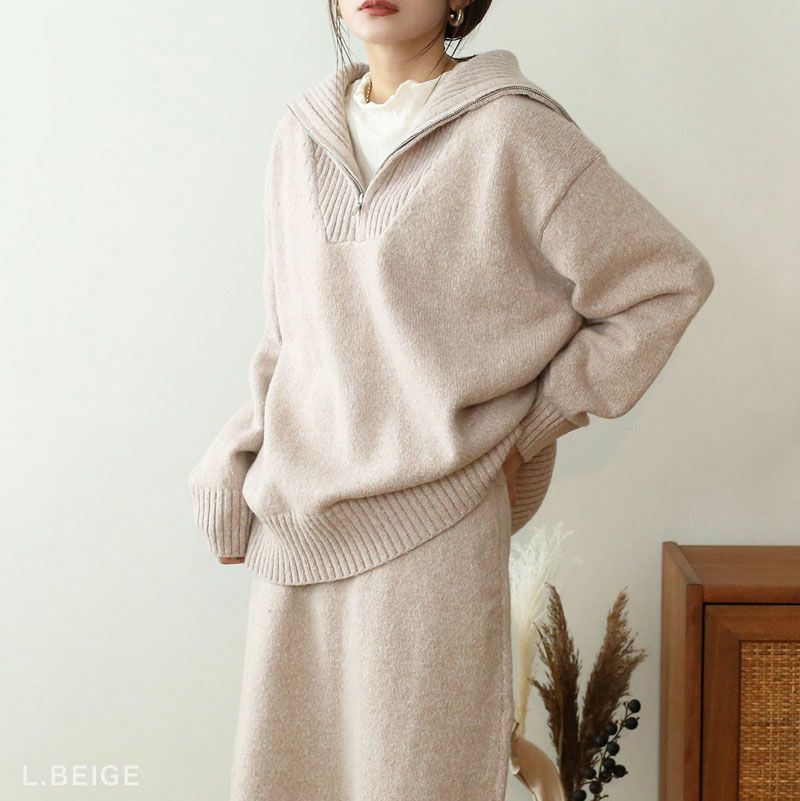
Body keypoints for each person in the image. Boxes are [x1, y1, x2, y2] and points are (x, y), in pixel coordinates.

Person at [187, 2, 715, 799]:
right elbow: (289, 336)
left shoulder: (514, 132)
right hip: (298, 529)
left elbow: (664, 284)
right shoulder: (298, 137)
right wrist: (233, 460)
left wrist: (533, 426)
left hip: (434, 533)